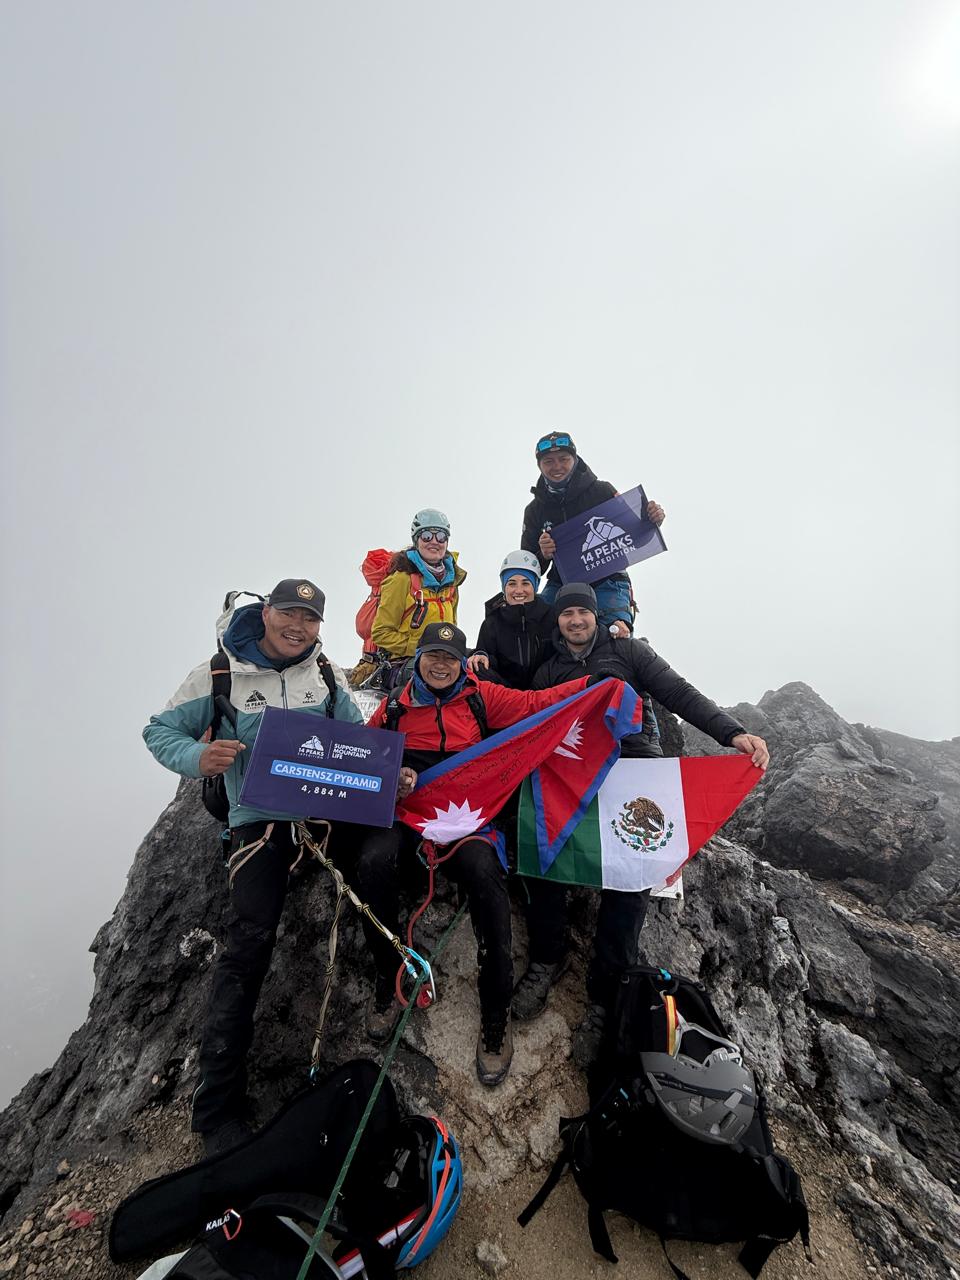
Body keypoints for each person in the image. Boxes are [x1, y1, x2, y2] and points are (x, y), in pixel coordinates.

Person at [143, 579, 388, 1155]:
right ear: (267, 612)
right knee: (249, 944)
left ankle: (391, 985)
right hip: (260, 821)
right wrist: (198, 756)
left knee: (384, 861)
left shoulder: (324, 673)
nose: (297, 626)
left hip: (324, 811)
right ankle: (216, 1110)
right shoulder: (220, 672)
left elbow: (353, 738)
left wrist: (385, 772)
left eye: (310, 618)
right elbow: (159, 730)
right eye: (289, 613)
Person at [516, 582, 769, 1068]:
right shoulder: (547, 671)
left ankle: (604, 995)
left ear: (596, 615)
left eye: (583, 612)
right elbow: (531, 722)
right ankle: (548, 958)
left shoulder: (628, 651)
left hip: (634, 774)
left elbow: (678, 692)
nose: (575, 621)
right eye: (567, 614)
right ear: (558, 621)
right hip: (577, 777)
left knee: (630, 884)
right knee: (543, 858)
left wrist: (732, 733)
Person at [358, 622, 589, 1087]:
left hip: (469, 817)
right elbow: (365, 756)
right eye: (433, 655)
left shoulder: (482, 697)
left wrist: (591, 685)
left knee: (485, 873)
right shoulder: (395, 706)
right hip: (410, 815)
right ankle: (389, 977)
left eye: (450, 657)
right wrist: (394, 772)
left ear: (463, 664)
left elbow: (535, 705)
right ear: (418, 659)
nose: (441, 665)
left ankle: (495, 1013)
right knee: (371, 863)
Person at [521, 432, 666, 634]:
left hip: (609, 578)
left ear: (575, 459)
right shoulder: (534, 510)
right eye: (548, 461)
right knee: (533, 628)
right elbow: (527, 567)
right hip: (561, 582)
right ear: (539, 466)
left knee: (617, 634)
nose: (557, 466)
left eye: (563, 459)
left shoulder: (602, 491)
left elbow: (637, 538)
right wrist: (543, 554)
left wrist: (651, 520)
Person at [370, 509, 467, 665]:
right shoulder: (402, 579)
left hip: (442, 659)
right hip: (406, 661)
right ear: (416, 540)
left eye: (441, 536)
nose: (434, 541)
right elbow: (381, 633)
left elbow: (452, 626)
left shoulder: (452, 581)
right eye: (427, 536)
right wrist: (420, 648)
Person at [466, 550, 557, 690]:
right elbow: (484, 652)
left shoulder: (551, 616)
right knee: (476, 666)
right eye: (512, 584)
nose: (519, 590)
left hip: (546, 690)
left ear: (535, 586)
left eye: (525, 583)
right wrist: (480, 655)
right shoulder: (492, 622)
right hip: (506, 694)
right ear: (504, 587)